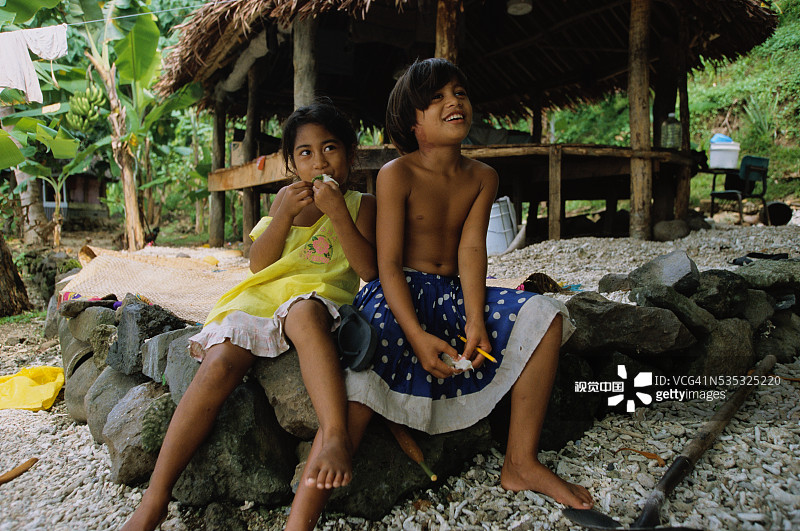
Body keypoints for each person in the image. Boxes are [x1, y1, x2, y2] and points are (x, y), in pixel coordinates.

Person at [291, 57, 595, 529]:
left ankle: (520, 462)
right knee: (358, 395)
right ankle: (301, 518)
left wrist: (476, 318)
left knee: (546, 315)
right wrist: (414, 334)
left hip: (454, 294)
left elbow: (473, 250)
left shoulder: (482, 177)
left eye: (459, 93)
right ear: (413, 124)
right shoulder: (397, 174)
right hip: (397, 298)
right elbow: (385, 266)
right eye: (435, 99)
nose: (454, 102)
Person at [121, 101, 377, 531]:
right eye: (306, 153)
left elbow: (368, 270)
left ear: (351, 154)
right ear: (291, 163)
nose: (319, 161)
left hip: (317, 296)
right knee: (219, 363)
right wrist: (283, 217)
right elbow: (260, 263)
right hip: (261, 296)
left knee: (304, 316)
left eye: (330, 148)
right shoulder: (283, 198)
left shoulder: (360, 203)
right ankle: (156, 497)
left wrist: (336, 212)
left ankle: (333, 433)